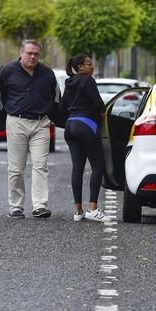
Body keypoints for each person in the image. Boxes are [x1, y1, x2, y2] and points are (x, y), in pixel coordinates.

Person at [0, 40, 60, 219]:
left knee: (41, 166)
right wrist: (1, 117)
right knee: (16, 168)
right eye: (29, 53)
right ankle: (16, 207)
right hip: (16, 122)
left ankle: (40, 206)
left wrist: (54, 118)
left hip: (41, 123)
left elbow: (56, 96)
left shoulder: (47, 73)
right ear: (21, 52)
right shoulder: (7, 71)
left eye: (36, 54)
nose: (32, 57)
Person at [59, 54, 107, 222]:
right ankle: (93, 208)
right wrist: (102, 114)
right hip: (86, 124)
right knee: (98, 165)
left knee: (77, 168)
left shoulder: (69, 83)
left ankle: (78, 211)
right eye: (89, 64)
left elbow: (63, 108)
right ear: (80, 66)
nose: (92, 67)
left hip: (70, 126)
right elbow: (99, 104)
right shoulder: (87, 80)